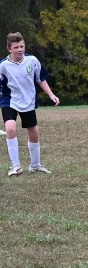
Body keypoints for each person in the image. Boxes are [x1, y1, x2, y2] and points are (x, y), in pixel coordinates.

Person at [0, 32, 60, 176]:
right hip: (10, 100)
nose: (20, 49)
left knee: (33, 132)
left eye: (22, 46)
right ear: (9, 49)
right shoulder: (3, 65)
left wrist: (51, 95)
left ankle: (35, 165)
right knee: (10, 128)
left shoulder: (32, 61)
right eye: (16, 47)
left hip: (28, 101)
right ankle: (15, 166)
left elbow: (41, 79)